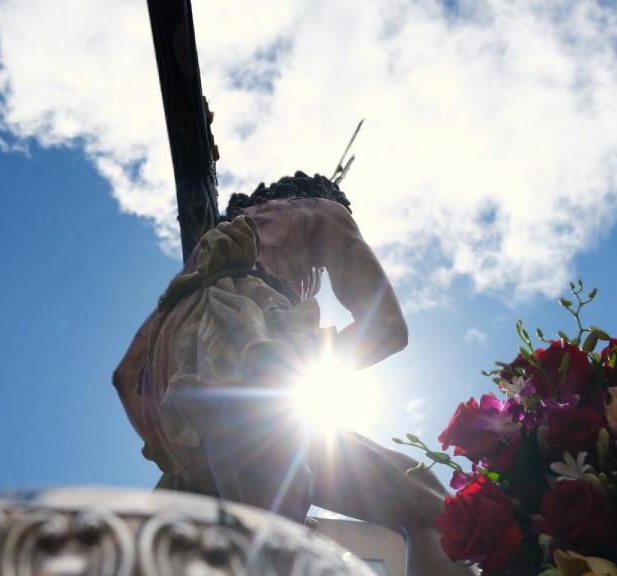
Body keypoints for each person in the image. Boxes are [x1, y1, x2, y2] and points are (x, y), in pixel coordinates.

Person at [114, 172, 466, 575]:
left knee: (264, 545)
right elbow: (387, 328)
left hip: (188, 429)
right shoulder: (318, 213)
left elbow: (125, 377)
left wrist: (182, 460)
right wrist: (298, 362)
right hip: (260, 389)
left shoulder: (201, 267)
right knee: (433, 509)